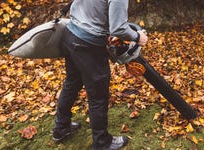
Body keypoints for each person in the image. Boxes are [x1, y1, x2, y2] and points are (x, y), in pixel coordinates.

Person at [52, 0, 148, 149]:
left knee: (71, 84)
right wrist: (137, 36)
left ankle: (61, 128)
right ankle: (102, 143)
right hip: (88, 45)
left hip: (70, 35)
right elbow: (118, 28)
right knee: (98, 96)